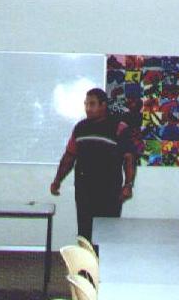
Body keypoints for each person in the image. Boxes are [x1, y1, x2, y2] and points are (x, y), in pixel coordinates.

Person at [50, 88, 137, 241]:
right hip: (84, 189)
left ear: (103, 105)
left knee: (108, 233)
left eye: (92, 104)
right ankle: (86, 265)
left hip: (110, 190)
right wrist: (57, 180)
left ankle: (107, 265)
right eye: (86, 104)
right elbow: (69, 157)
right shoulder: (80, 128)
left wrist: (128, 184)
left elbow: (129, 158)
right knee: (85, 232)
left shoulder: (119, 127)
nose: (88, 108)